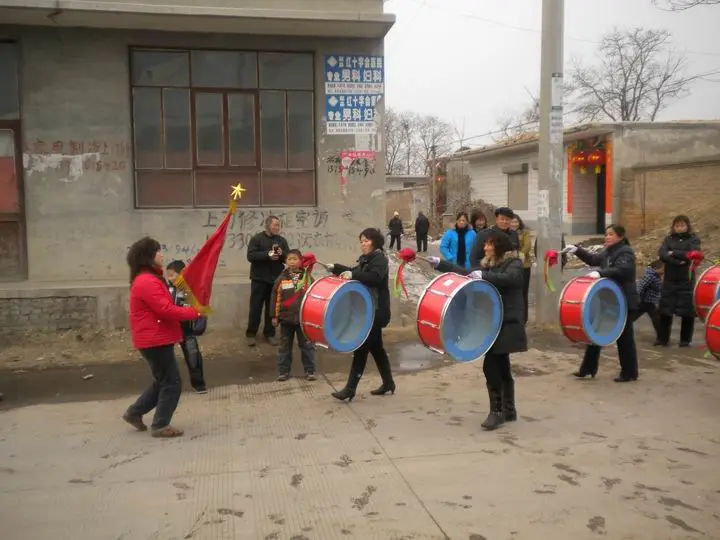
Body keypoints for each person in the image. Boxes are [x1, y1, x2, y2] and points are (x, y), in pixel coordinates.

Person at [427, 230, 527, 431]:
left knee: (491, 366)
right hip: (493, 321)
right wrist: (441, 264)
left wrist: (485, 276)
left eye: (489, 244)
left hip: (507, 321)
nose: (485, 247)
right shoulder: (487, 265)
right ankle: (509, 409)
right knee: (502, 366)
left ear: (498, 246)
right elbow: (466, 273)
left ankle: (497, 412)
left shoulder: (513, 263)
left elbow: (512, 279)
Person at [123, 237, 200, 438]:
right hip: (154, 339)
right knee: (172, 382)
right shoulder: (147, 281)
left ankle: (135, 412)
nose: (162, 254)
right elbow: (165, 310)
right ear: (148, 256)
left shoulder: (149, 279)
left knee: (162, 380)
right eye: (158, 251)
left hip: (154, 338)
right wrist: (193, 312)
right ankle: (160, 424)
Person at [565, 225, 639, 383]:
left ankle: (630, 372)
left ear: (620, 236)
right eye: (606, 234)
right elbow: (593, 259)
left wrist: (601, 273)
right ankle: (588, 369)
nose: (607, 237)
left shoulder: (625, 252)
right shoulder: (609, 251)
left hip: (624, 300)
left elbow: (623, 270)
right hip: (609, 298)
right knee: (595, 333)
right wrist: (577, 250)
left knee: (624, 338)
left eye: (611, 234)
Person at [327, 228, 394, 401]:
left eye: (366, 241)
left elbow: (374, 277)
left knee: (362, 348)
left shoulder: (379, 259)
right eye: (361, 241)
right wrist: (336, 268)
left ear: (375, 242)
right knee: (376, 348)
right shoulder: (366, 259)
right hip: (369, 308)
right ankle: (388, 383)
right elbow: (354, 271)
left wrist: (353, 274)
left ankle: (350, 389)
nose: (363, 244)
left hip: (376, 310)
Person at [270, 249, 317, 382]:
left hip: (303, 319)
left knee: (307, 346)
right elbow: (275, 298)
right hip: (286, 319)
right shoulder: (281, 279)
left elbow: (313, 295)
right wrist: (274, 316)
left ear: (301, 260)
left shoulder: (307, 277)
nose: (292, 261)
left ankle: (310, 371)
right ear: (285, 261)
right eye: (289, 259)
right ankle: (283, 372)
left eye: (295, 259)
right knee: (284, 346)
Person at [656, 215, 701, 347]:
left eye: (682, 225)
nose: (679, 228)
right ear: (673, 226)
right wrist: (677, 260)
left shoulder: (694, 239)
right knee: (665, 310)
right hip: (670, 278)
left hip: (686, 279)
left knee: (687, 312)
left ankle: (685, 340)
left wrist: (673, 252)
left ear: (687, 226)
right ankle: (662, 339)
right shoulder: (668, 239)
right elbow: (662, 254)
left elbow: (693, 255)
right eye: (677, 225)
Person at [246, 216, 290, 347]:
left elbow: (288, 258)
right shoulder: (257, 239)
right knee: (255, 307)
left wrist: (283, 254)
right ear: (267, 225)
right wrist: (268, 254)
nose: (277, 228)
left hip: (275, 280)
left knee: (272, 309)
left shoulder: (281, 241)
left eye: (278, 225)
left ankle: (269, 333)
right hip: (259, 279)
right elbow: (251, 256)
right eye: (275, 225)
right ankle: (251, 334)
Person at [165, 260, 208, 394]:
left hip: (186, 328)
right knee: (165, 357)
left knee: (192, 354)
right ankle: (166, 385)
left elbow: (200, 308)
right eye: (168, 276)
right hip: (170, 327)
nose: (169, 278)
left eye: (172, 275)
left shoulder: (190, 290)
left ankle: (198, 383)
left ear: (182, 274)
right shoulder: (166, 289)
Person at [510, 214, 532, 324]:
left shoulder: (524, 233)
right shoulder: (507, 233)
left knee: (523, 292)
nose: (514, 224)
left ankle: (524, 318)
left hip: (524, 266)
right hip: (510, 266)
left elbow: (527, 246)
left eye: (516, 222)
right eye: (512, 222)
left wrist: (519, 256)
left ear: (519, 223)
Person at [634, 259, 663, 341]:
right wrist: (637, 299)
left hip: (648, 302)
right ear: (656, 268)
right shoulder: (650, 276)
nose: (664, 271)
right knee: (657, 320)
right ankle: (661, 339)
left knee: (632, 318)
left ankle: (621, 332)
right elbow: (640, 288)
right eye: (663, 269)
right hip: (647, 302)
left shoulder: (655, 276)